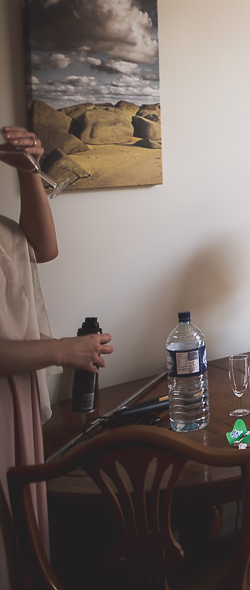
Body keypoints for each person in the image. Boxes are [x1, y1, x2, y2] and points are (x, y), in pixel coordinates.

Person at [0, 126, 114, 586]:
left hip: (18, 389)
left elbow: (44, 248)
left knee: (23, 519)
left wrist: (29, 172)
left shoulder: (4, 231)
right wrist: (65, 350)